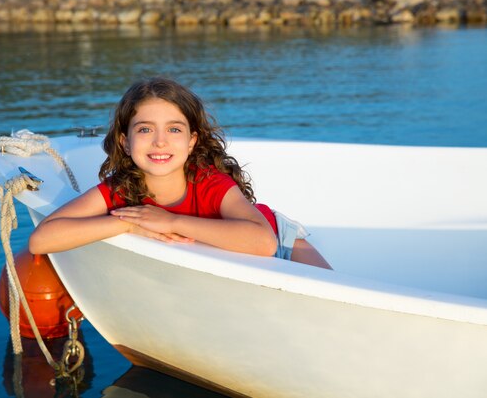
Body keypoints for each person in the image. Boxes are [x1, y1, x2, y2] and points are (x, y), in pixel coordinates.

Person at [29, 77, 331, 269]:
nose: (160, 141)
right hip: (222, 263)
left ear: (191, 141)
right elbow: (41, 240)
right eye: (145, 129)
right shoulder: (121, 189)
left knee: (332, 296)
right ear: (125, 140)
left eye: (174, 129)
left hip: (281, 244)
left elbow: (263, 243)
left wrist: (171, 221)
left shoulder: (210, 182)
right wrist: (127, 226)